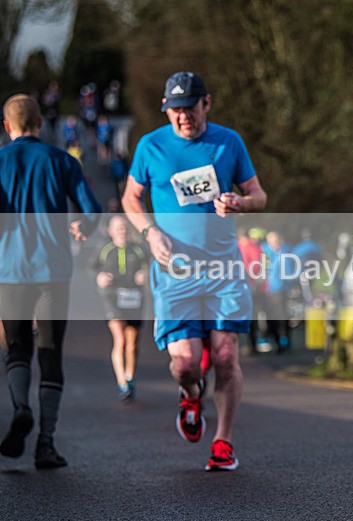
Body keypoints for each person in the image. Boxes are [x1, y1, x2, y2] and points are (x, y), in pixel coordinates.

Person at [121, 71, 267, 471]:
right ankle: (190, 396)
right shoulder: (151, 146)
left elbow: (259, 195)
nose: (182, 118)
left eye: (189, 109)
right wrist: (150, 233)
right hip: (176, 274)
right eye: (175, 111)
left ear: (207, 104)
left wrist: (240, 202)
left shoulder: (228, 141)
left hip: (223, 271)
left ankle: (223, 441)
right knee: (185, 364)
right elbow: (131, 199)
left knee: (224, 355)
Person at [0, 94, 102, 468]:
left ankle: (21, 407)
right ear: (40, 123)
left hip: (9, 270)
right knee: (51, 350)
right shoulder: (62, 160)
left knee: (17, 348)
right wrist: (82, 228)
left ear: (6, 126)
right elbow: (91, 211)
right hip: (53, 270)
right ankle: (45, 443)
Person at [93, 215, 148, 400]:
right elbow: (91, 268)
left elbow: (150, 265)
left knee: (132, 343)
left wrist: (144, 274)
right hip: (113, 298)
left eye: (124, 227)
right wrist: (100, 276)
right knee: (120, 340)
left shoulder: (139, 250)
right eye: (117, 228)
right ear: (110, 231)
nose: (121, 231)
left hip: (134, 298)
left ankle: (130, 376)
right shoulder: (104, 250)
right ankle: (122, 383)